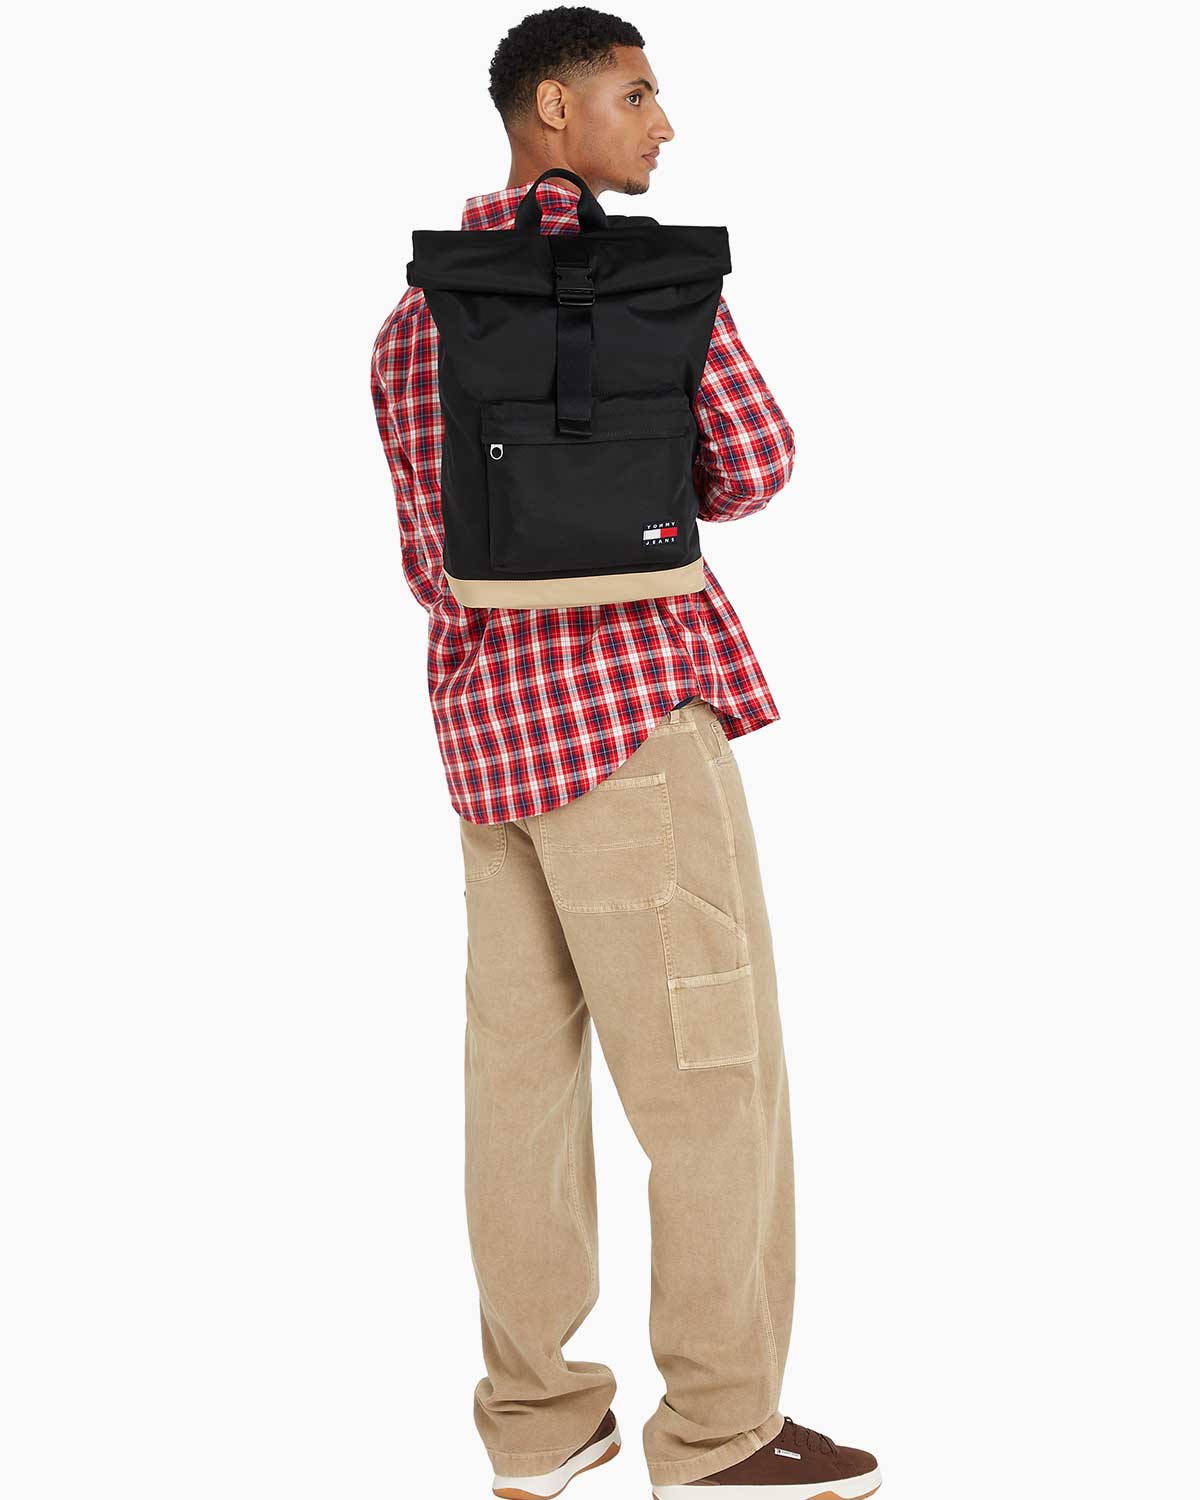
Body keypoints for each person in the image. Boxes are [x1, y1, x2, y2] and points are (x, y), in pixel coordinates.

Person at [370, 9, 881, 1498]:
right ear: (554, 106)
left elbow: (431, 556)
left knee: (518, 1096)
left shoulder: (413, 317)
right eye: (638, 94)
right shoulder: (653, 288)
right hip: (631, 728)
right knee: (712, 1086)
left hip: (486, 743)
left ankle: (539, 1425)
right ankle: (720, 1434)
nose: (665, 125)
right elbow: (758, 466)